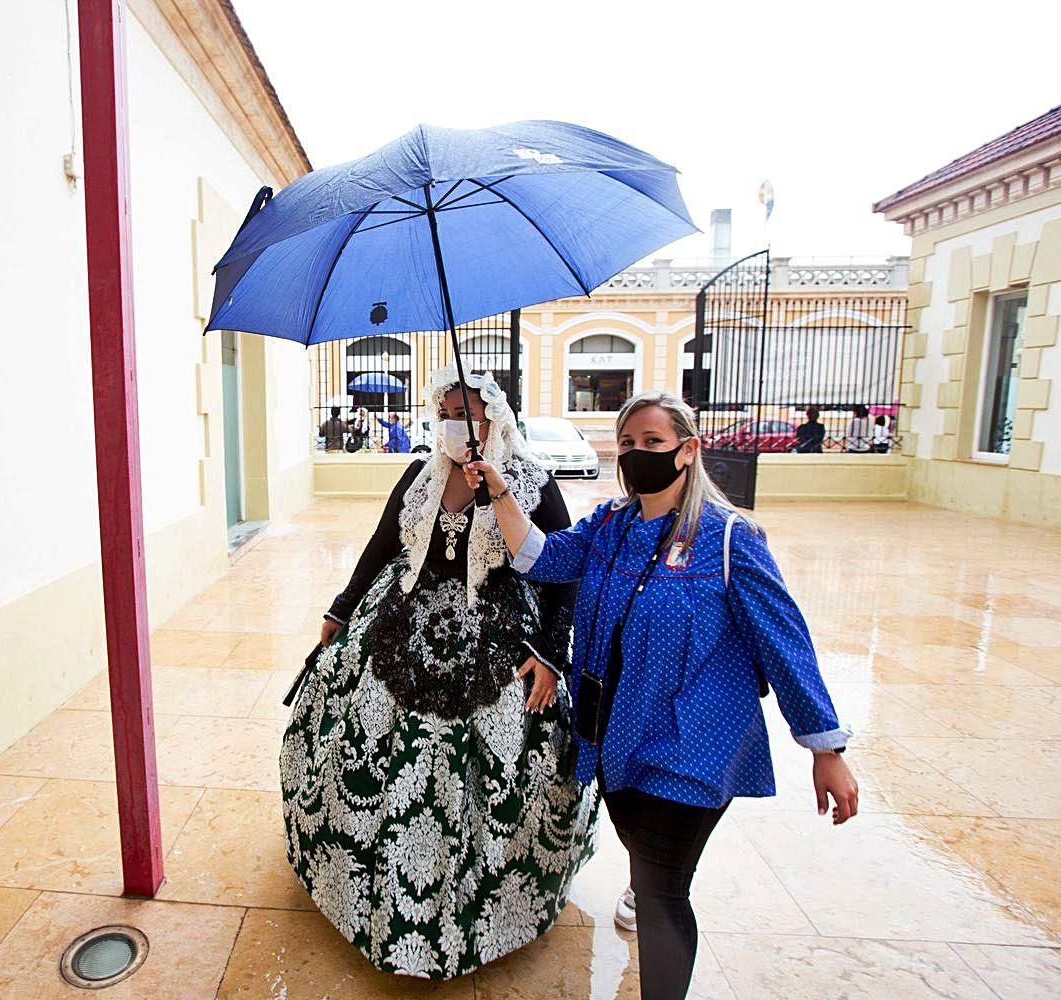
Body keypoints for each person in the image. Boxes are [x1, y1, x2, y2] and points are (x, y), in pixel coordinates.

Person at [464, 390, 857, 1000]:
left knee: (663, 889)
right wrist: (501, 494)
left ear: (688, 449)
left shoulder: (730, 538)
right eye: (627, 444)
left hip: (694, 741)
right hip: (618, 735)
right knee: (651, 870)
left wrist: (824, 748)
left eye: (652, 442)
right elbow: (540, 559)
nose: (637, 453)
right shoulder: (612, 526)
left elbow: (784, 640)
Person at [280, 368, 597, 980]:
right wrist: (341, 608)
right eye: (448, 412)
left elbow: (565, 576)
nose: (459, 424)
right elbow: (382, 545)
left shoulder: (531, 481)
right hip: (403, 623)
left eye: (470, 413)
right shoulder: (421, 472)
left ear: (496, 419)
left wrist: (552, 655)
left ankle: (484, 906)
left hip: (499, 636)